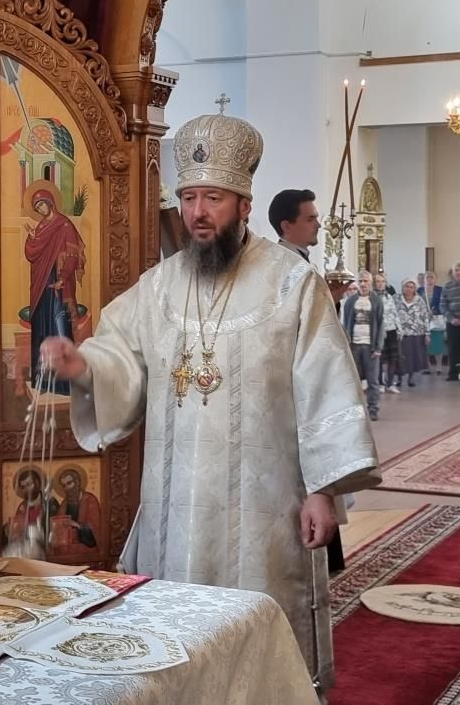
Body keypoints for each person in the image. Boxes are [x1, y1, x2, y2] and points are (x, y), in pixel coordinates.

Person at [40, 105, 380, 695]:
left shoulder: (292, 283)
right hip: (175, 511)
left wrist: (323, 492)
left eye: (213, 199)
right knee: (173, 642)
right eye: (189, 198)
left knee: (259, 646)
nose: (197, 212)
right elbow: (121, 357)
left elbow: (325, 387)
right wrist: (83, 366)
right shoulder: (159, 286)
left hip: (265, 511)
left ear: (244, 204)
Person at [268, 187, 349, 573]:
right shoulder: (282, 268)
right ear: (287, 225)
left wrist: (329, 300)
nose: (318, 224)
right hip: (294, 392)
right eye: (311, 218)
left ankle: (326, 557)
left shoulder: (298, 263)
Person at [24, 181, 85, 396]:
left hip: (59, 283)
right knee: (41, 327)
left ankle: (65, 383)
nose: (41, 209)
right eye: (37, 207)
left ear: (50, 203)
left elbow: (73, 253)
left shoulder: (64, 225)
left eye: (42, 204)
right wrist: (31, 239)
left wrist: (63, 278)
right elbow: (31, 254)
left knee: (60, 325)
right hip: (41, 285)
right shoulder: (40, 228)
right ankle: (43, 380)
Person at [342, 271, 385, 421]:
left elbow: (381, 324)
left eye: (366, 281)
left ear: (371, 283)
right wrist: (346, 345)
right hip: (354, 345)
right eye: (360, 281)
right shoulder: (350, 301)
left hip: (370, 346)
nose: (363, 284)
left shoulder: (376, 301)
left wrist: (378, 347)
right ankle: (355, 409)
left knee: (373, 380)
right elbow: (346, 323)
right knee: (354, 380)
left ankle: (373, 408)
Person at [51, 467, 100, 554]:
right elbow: (58, 528)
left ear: (77, 482)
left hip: (85, 550)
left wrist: (77, 525)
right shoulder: (64, 504)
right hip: (66, 550)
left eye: (69, 483)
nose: (67, 488)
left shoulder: (90, 500)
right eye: (64, 486)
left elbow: (96, 529)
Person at [396, 279, 431, 387]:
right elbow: (392, 313)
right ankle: (399, 378)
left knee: (413, 357)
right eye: (407, 286)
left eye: (411, 287)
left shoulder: (419, 300)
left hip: (416, 333)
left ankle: (411, 378)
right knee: (399, 357)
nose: (409, 289)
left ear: (415, 289)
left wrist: (427, 333)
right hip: (401, 333)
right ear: (403, 287)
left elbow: (425, 317)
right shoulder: (396, 298)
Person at [373, 273, 401, 392]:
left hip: (391, 330)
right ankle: (380, 384)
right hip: (379, 331)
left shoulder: (389, 296)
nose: (381, 284)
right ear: (374, 283)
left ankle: (390, 384)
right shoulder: (372, 296)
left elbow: (395, 313)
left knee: (393, 358)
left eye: (383, 281)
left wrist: (399, 329)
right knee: (380, 359)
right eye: (378, 281)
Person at [418, 270, 445, 374]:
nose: (429, 279)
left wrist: (434, 311)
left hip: (436, 320)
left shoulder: (440, 290)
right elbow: (417, 304)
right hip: (422, 321)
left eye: (432, 277)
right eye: (427, 277)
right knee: (424, 344)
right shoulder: (419, 290)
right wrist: (424, 313)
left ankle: (439, 367)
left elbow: (443, 303)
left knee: (437, 343)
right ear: (424, 279)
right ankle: (427, 367)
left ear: (436, 279)